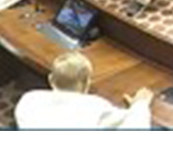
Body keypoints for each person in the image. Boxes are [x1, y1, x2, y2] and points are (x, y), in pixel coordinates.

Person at [16, 51, 154, 129]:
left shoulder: (29, 100)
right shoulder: (95, 107)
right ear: (87, 83)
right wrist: (140, 105)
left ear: (51, 79)